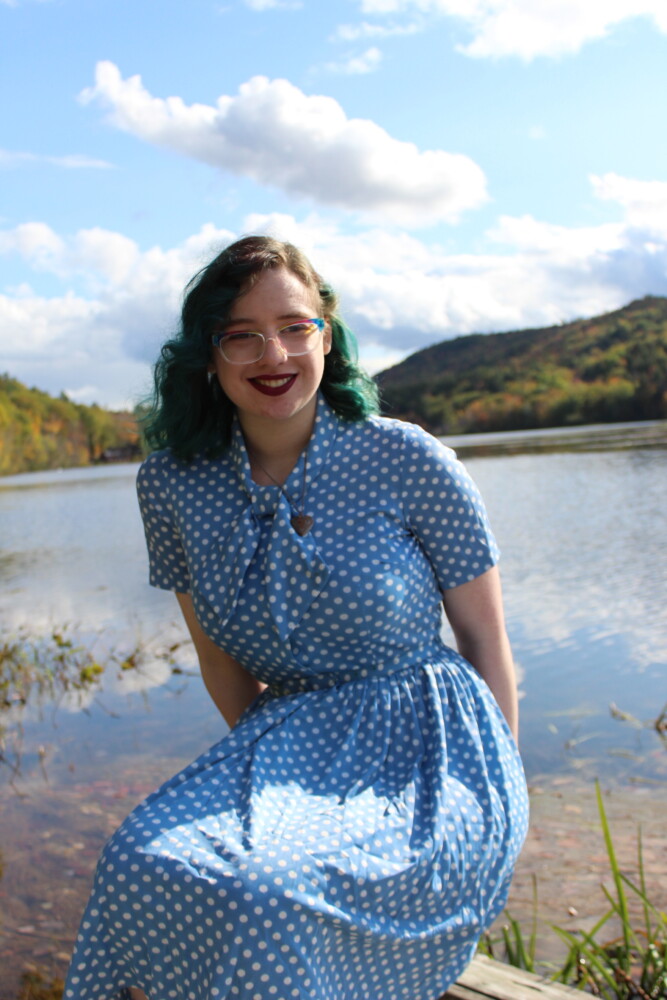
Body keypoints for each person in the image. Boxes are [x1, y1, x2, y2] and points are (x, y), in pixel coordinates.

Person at [64, 235, 529, 1000]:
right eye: (240, 335)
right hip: (284, 735)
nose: (272, 354)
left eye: (292, 327)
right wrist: (265, 782)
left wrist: (502, 788)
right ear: (207, 356)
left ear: (326, 337)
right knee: (138, 858)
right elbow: (217, 659)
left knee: (267, 891)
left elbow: (485, 638)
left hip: (427, 738)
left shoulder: (406, 458)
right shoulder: (170, 485)